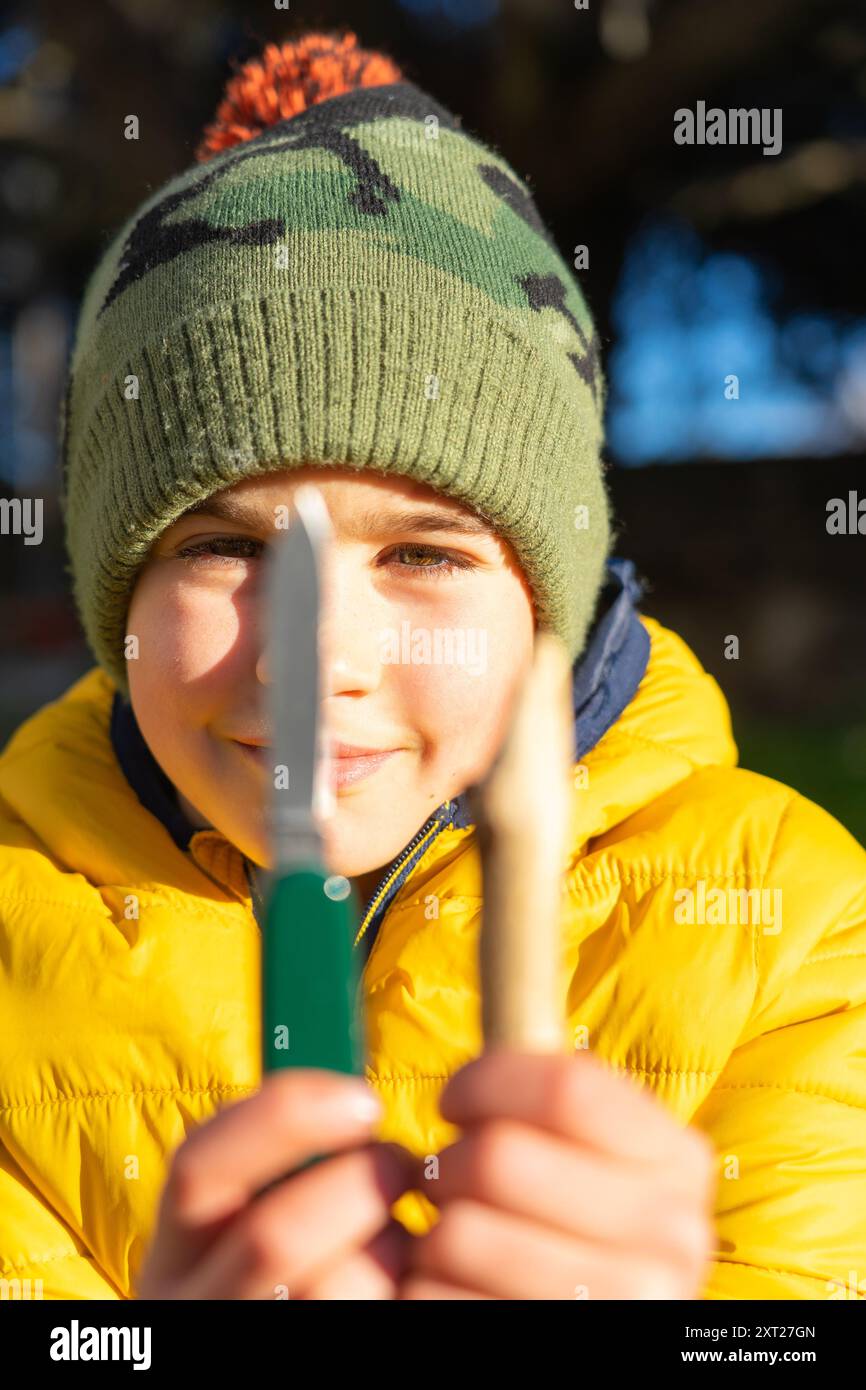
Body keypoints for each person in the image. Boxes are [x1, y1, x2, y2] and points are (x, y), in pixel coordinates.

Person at [1, 30, 863, 1302]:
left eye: (422, 555)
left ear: (546, 599)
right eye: (225, 545)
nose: (321, 660)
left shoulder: (789, 929)